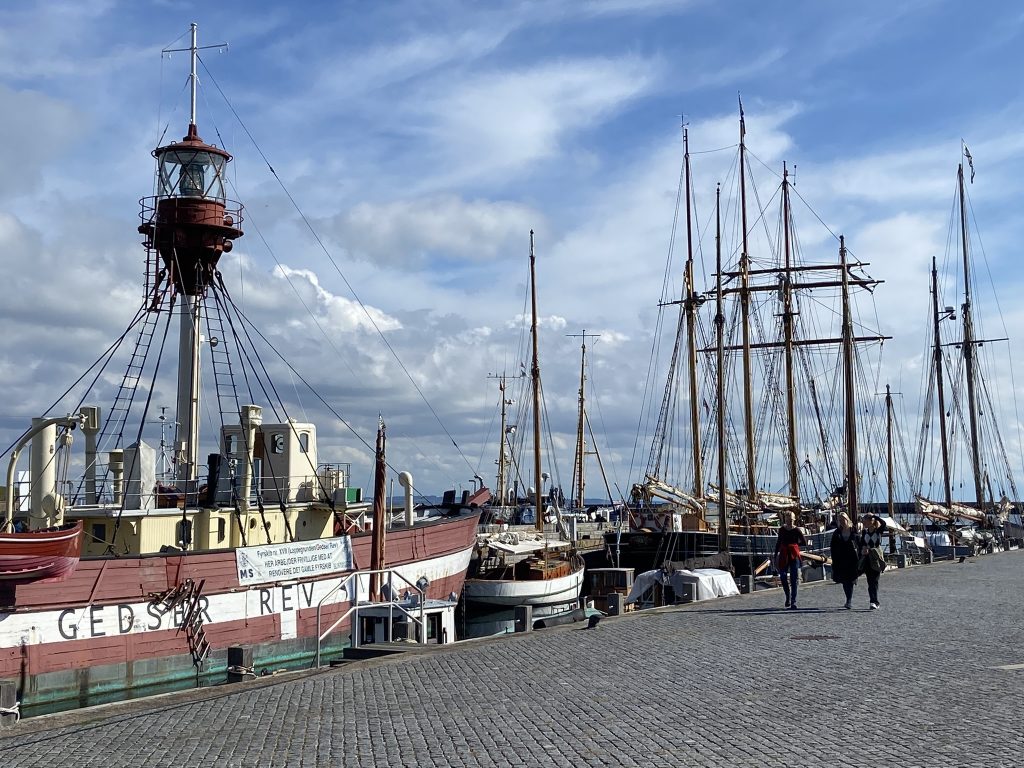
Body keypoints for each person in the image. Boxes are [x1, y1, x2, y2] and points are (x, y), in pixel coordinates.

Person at [774, 511, 807, 609]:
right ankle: (787, 596)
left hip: (793, 555)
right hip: (784, 554)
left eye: (792, 520)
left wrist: (794, 546)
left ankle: (793, 601)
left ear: (794, 520)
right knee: (783, 576)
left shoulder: (797, 530)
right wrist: (775, 554)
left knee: (794, 578)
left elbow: (804, 542)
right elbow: (778, 542)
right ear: (785, 520)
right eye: (788, 520)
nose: (790, 522)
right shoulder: (782, 530)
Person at [829, 512, 859, 609]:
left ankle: (849, 599)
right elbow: (832, 546)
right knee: (845, 580)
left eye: (843, 520)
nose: (842, 522)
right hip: (841, 559)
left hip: (852, 559)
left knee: (850, 579)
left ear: (847, 520)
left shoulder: (853, 530)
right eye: (840, 520)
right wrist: (834, 559)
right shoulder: (837, 532)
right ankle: (848, 600)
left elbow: (859, 543)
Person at [859, 513, 888, 609]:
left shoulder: (878, 531)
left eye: (866, 520)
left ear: (871, 521)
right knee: (870, 581)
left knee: (874, 581)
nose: (864, 522)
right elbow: (862, 543)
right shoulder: (864, 532)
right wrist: (863, 549)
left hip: (876, 558)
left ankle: (875, 601)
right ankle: (873, 601)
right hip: (867, 558)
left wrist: (874, 516)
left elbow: (883, 523)